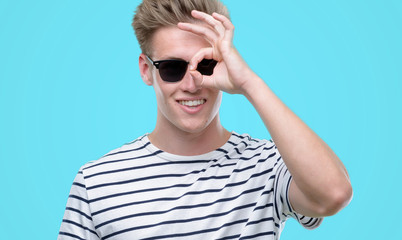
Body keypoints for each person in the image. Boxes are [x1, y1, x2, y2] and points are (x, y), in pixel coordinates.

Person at [58, 0, 353, 239]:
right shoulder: (96, 182)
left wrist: (249, 83)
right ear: (146, 70)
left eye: (206, 65)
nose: (192, 84)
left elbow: (334, 194)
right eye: (172, 67)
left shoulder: (269, 166)